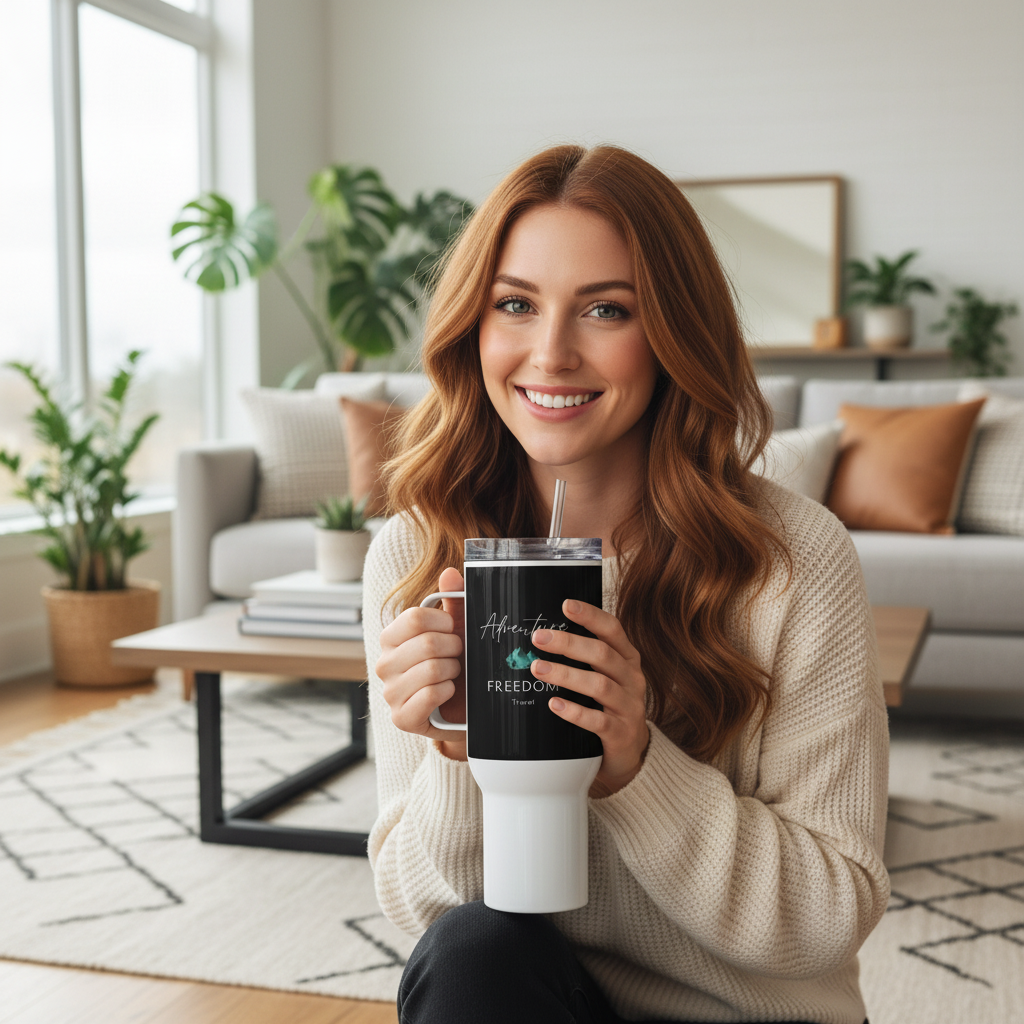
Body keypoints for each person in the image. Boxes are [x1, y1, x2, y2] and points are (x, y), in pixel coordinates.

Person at [364, 144, 888, 1024]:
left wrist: (637, 770)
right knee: (470, 954)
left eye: (606, 309)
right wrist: (465, 752)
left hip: (747, 1013)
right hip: (543, 1004)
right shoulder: (421, 553)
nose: (552, 353)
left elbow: (829, 916)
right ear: (474, 326)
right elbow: (427, 913)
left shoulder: (794, 560)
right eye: (516, 305)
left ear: (673, 333)